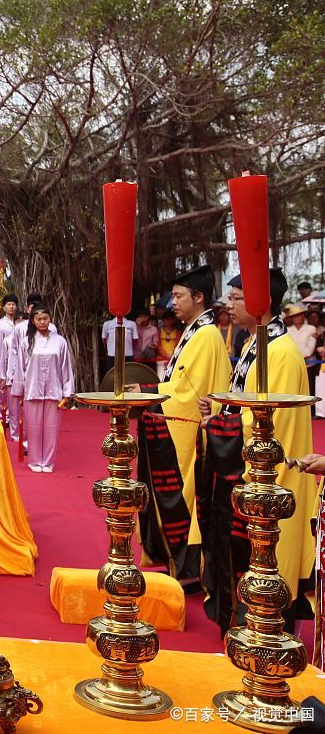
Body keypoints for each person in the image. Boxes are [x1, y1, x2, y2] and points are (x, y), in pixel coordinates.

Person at [199, 268, 314, 635]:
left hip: (273, 478)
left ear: (261, 303)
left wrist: (221, 426)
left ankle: (266, 637)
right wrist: (219, 416)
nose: (230, 306)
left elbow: (266, 424)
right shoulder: (256, 344)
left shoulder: (279, 351)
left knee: (268, 562)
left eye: (236, 298)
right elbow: (247, 410)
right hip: (251, 476)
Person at [130, 265, 230, 591]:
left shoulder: (206, 336)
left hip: (189, 431)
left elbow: (190, 392)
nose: (172, 302)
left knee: (187, 498)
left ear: (198, 297)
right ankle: (179, 563)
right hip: (179, 424)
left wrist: (149, 395)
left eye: (178, 296)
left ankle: (190, 569)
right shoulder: (194, 331)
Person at [17, 307, 75, 473]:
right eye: (39, 319)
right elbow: (20, 368)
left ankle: (48, 461)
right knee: (33, 427)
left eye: (45, 318)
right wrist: (19, 391)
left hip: (54, 390)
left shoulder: (60, 341)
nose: (42, 322)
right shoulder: (26, 342)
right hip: (32, 390)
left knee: (51, 428)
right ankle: (35, 460)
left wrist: (67, 391)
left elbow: (66, 367)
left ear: (50, 319)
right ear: (33, 321)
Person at [0, 295, 19, 424]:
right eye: (9, 304)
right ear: (4, 307)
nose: (11, 307)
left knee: (15, 392)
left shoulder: (21, 323)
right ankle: (0, 416)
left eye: (13, 304)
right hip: (4, 361)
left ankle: (12, 417)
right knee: (2, 391)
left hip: (17, 363)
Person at [285, 304, 316, 388]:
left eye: (298, 315)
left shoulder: (311, 328)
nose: (296, 318)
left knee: (309, 390)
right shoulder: (287, 330)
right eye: (294, 316)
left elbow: (310, 350)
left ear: (303, 316)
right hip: (292, 365)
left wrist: (297, 356)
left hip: (308, 366)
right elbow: (287, 348)